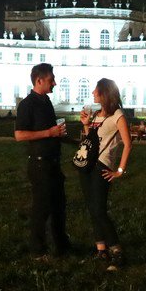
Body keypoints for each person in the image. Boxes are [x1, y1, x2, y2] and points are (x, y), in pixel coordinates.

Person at [14, 63, 70, 259]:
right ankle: (38, 249)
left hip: (52, 161)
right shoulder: (27, 104)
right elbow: (19, 135)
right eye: (51, 79)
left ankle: (61, 245)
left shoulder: (46, 102)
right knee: (42, 207)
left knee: (59, 206)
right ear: (39, 80)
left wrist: (60, 135)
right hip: (40, 163)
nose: (54, 83)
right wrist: (49, 132)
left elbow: (50, 131)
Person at [78, 79, 132, 271]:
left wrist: (119, 170)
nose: (93, 92)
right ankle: (101, 249)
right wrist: (86, 125)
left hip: (103, 164)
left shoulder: (117, 115)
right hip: (89, 164)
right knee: (92, 208)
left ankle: (117, 250)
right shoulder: (96, 115)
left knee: (99, 210)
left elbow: (128, 143)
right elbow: (89, 141)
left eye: (96, 90)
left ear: (104, 93)